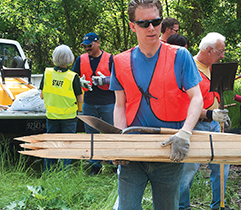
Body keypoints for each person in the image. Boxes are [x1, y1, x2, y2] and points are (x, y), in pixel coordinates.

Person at [110, 0, 203, 209]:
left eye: (156, 21)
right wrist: (119, 140)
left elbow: (196, 98)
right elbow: (119, 105)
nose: (151, 28)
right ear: (133, 26)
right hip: (133, 150)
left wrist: (185, 133)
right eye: (144, 23)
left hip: (169, 148)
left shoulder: (180, 56)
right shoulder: (120, 61)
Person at [177, 32, 232, 210]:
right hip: (194, 125)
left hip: (214, 124)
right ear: (208, 50)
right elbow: (185, 106)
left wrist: (220, 113)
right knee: (187, 170)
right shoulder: (189, 67)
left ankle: (219, 206)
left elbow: (214, 94)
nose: (222, 56)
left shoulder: (212, 66)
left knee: (222, 165)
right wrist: (210, 115)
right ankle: (182, 207)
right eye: (220, 52)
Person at [72, 32, 115, 174]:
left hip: (108, 102)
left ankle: (114, 164)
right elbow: (72, 77)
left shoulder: (110, 59)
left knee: (111, 133)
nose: (86, 49)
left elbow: (120, 78)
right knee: (91, 134)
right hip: (89, 102)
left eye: (89, 45)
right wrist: (79, 82)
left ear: (97, 43)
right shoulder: (81, 59)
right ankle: (94, 166)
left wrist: (107, 80)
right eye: (84, 46)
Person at [40, 44, 83, 171]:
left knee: (51, 144)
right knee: (67, 145)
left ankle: (48, 171)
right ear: (70, 58)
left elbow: (42, 95)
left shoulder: (47, 73)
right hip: (69, 117)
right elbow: (80, 99)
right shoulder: (72, 76)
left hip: (51, 115)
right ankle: (63, 172)